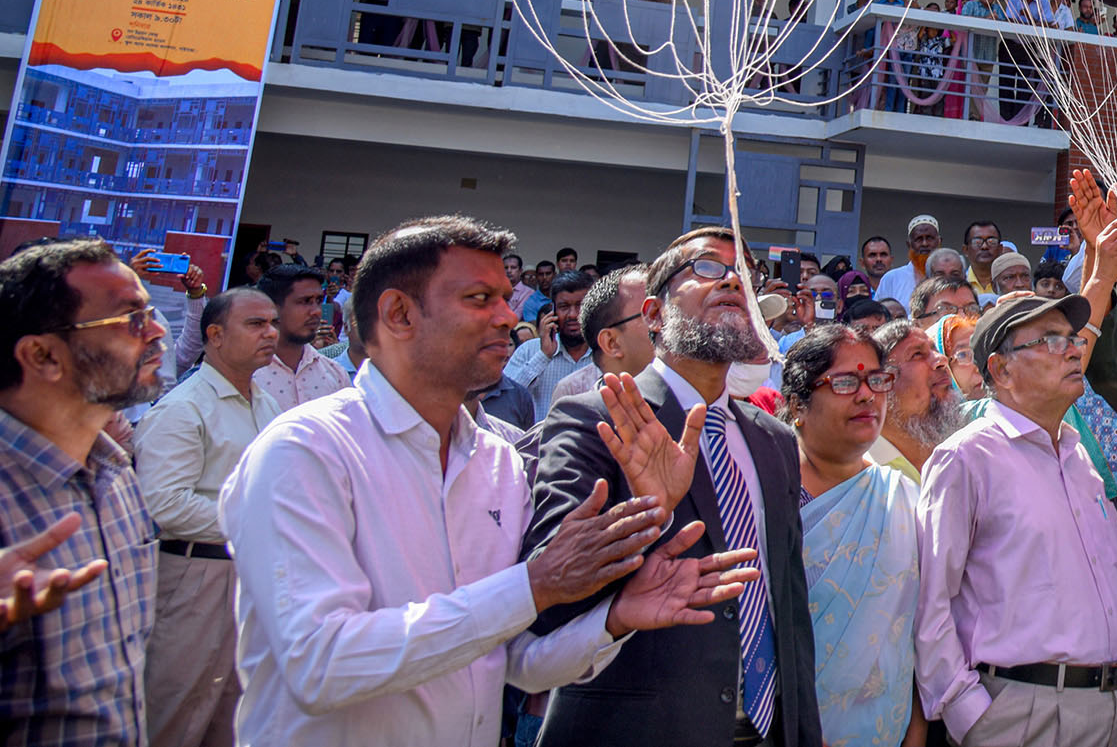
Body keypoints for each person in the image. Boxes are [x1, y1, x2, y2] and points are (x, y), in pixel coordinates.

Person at [222, 218, 755, 747]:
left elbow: (517, 662)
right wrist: (533, 585)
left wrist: (614, 620)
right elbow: (321, 664)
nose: (508, 317)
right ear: (398, 314)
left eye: (505, 298)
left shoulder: (496, 463)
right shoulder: (306, 450)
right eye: (480, 299)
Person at [522, 229, 826, 747]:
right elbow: (548, 599)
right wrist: (648, 516)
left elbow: (787, 604)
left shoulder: (774, 440)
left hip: (766, 728)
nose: (733, 279)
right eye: (708, 267)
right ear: (654, 314)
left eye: (745, 274)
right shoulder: (592, 419)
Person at [915, 288, 1117, 747]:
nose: (1073, 350)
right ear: (1000, 370)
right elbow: (931, 602)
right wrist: (969, 714)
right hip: (1028, 712)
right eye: (1049, 341)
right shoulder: (965, 458)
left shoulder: (1080, 456)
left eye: (1072, 339)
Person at [0, 240, 164, 744]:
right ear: (43, 355)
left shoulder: (116, 474)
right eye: (131, 318)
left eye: (151, 311)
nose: (157, 331)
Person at [133, 287, 278, 747]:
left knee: (234, 713)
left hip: (249, 574)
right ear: (214, 335)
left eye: (272, 323)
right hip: (195, 574)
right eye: (256, 325)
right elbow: (166, 504)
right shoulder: (182, 408)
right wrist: (256, 521)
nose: (271, 333)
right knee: (175, 709)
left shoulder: (267, 404)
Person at [780, 326, 923, 747]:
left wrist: (916, 731)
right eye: (844, 382)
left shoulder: (903, 496)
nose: (867, 396)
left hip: (887, 729)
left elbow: (922, 631)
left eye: (877, 380)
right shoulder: (768, 494)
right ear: (796, 405)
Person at [871, 319, 963, 480]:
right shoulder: (860, 474)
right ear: (882, 383)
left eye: (935, 350)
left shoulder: (969, 452)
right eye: (917, 354)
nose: (941, 360)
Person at [251, 263, 349, 411]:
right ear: (272, 307)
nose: (316, 311)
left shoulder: (335, 374)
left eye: (318, 301)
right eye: (305, 301)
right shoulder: (246, 373)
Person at [554, 265, 656, 405]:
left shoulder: (690, 404)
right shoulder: (575, 410)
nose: (667, 323)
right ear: (611, 342)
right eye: (652, 314)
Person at [508, 270, 594, 410]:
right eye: (564, 307)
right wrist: (543, 356)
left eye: (581, 305)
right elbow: (506, 398)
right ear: (552, 310)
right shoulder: (529, 351)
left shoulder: (607, 353)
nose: (573, 314)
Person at [874, 218, 940, 310]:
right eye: (919, 239)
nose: (925, 244)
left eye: (929, 238)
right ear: (909, 244)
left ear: (939, 241)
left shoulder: (948, 276)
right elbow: (879, 314)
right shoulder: (891, 278)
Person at [961, 223, 1006, 299]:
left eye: (991, 242)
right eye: (977, 242)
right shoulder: (959, 283)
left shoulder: (1010, 283)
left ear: (1000, 249)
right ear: (965, 250)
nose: (984, 246)